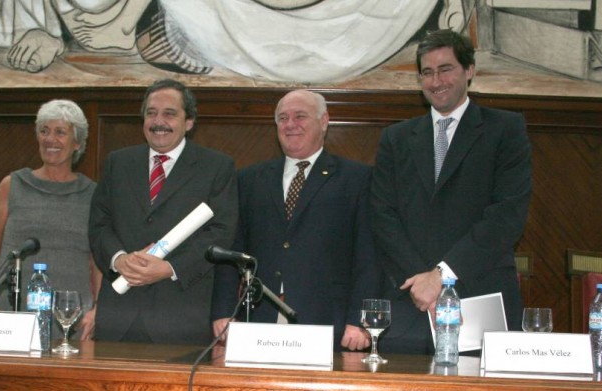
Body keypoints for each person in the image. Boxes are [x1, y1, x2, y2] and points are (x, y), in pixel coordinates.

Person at [370, 29, 532, 354]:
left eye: (446, 69)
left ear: (469, 70)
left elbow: (506, 216)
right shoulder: (396, 139)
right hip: (409, 301)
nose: (436, 81)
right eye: (427, 73)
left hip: (479, 294)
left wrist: (442, 275)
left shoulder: (505, 130)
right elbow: (382, 215)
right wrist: (422, 281)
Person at [211, 89, 378, 351]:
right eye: (283, 118)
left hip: (328, 322)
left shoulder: (356, 179)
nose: (290, 125)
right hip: (257, 318)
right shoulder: (249, 179)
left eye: (300, 116)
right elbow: (231, 249)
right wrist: (223, 312)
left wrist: (360, 320)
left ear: (324, 122)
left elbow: (368, 255)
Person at [89, 79, 238, 345]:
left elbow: (222, 232)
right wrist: (119, 260)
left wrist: (169, 267)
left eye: (169, 114)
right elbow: (99, 225)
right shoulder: (117, 163)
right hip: (118, 316)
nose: (159, 121)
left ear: (189, 121)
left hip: (180, 318)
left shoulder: (216, 167)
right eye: (151, 113)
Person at [0, 99, 100, 341]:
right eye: (44, 131)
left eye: (60, 132)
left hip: (72, 320)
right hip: (8, 317)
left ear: (77, 142)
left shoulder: (93, 194)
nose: (49, 139)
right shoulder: (12, 185)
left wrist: (98, 309)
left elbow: (99, 262)